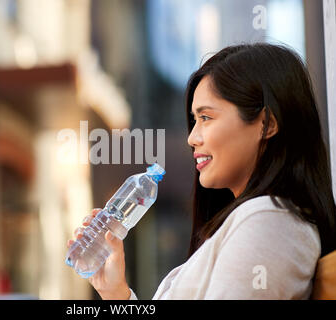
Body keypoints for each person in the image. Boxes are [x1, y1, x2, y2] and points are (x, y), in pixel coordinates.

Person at [67, 43, 336, 299]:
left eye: (206, 117)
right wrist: (116, 294)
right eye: (194, 120)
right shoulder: (252, 221)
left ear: (266, 124)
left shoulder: (270, 221)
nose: (192, 138)